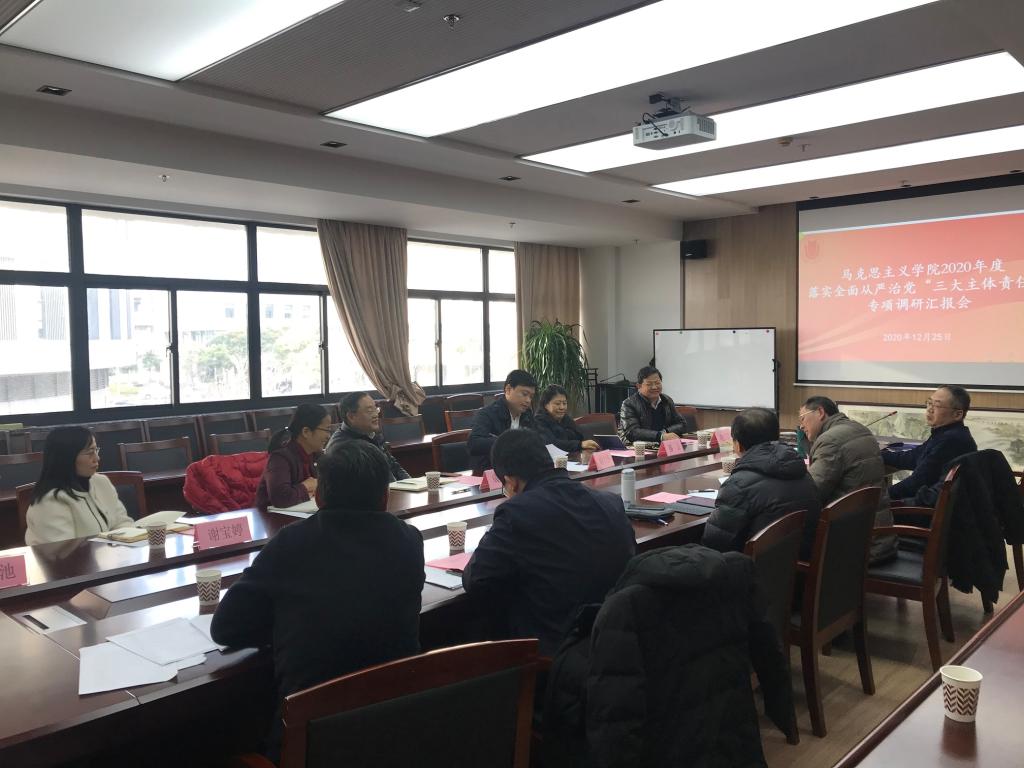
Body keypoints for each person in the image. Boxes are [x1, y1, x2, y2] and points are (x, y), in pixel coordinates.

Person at [212, 440, 425, 760]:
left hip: (309, 747)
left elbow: (226, 628)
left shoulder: (291, 543)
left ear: (319, 496)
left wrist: (288, 624)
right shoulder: (409, 540)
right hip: (395, 736)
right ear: (385, 497)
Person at [462, 429, 635, 655]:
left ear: (510, 483)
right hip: (616, 640)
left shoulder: (516, 513)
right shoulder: (610, 501)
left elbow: (477, 580)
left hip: (556, 650)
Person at [703, 408, 821, 558]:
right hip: (797, 559)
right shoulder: (802, 471)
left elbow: (716, 545)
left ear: (737, 445)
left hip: (755, 567)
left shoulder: (738, 485)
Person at [799, 396, 897, 564]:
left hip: (855, 545)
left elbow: (812, 493)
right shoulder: (860, 429)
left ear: (820, 412)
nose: (801, 425)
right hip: (878, 537)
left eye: (802, 418)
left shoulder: (830, 440)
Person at [25, 426, 135, 545]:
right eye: (90, 452)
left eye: (96, 450)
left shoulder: (101, 482)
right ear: (67, 458)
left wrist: (129, 542)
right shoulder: (49, 501)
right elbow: (62, 551)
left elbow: (123, 523)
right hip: (78, 557)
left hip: (112, 554)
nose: (97, 458)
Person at [881, 385, 977, 502]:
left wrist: (881, 497)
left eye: (937, 405)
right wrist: (878, 454)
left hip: (927, 507)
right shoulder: (946, 434)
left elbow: (917, 482)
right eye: (929, 403)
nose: (930, 409)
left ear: (957, 414)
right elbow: (911, 457)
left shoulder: (951, 440)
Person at [255, 403, 330, 511]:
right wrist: (306, 486)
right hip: (272, 517)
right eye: (326, 430)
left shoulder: (316, 455)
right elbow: (280, 498)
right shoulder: (280, 458)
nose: (328, 436)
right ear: (306, 432)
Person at [326, 392, 410, 482]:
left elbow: (393, 465)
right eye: (369, 411)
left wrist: (411, 483)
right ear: (351, 417)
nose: (376, 414)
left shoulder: (372, 434)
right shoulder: (341, 446)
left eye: (376, 409)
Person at [468, 369, 538, 474]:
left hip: (519, 473)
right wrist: (510, 442)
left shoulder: (527, 415)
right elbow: (474, 443)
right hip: (491, 473)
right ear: (508, 389)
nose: (528, 400)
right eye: (524, 394)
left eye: (531, 396)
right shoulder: (487, 414)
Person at [618, 365, 691, 445]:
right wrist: (660, 436)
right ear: (639, 386)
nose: (654, 387)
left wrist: (665, 432)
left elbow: (682, 424)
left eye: (657, 383)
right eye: (649, 384)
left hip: (660, 445)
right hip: (636, 447)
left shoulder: (666, 400)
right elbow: (632, 432)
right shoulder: (629, 404)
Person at [534, 384, 599, 453]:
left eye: (564, 403)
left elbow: (580, 436)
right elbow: (552, 444)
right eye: (557, 404)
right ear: (546, 405)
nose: (562, 407)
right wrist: (579, 444)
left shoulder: (565, 418)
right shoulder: (539, 421)